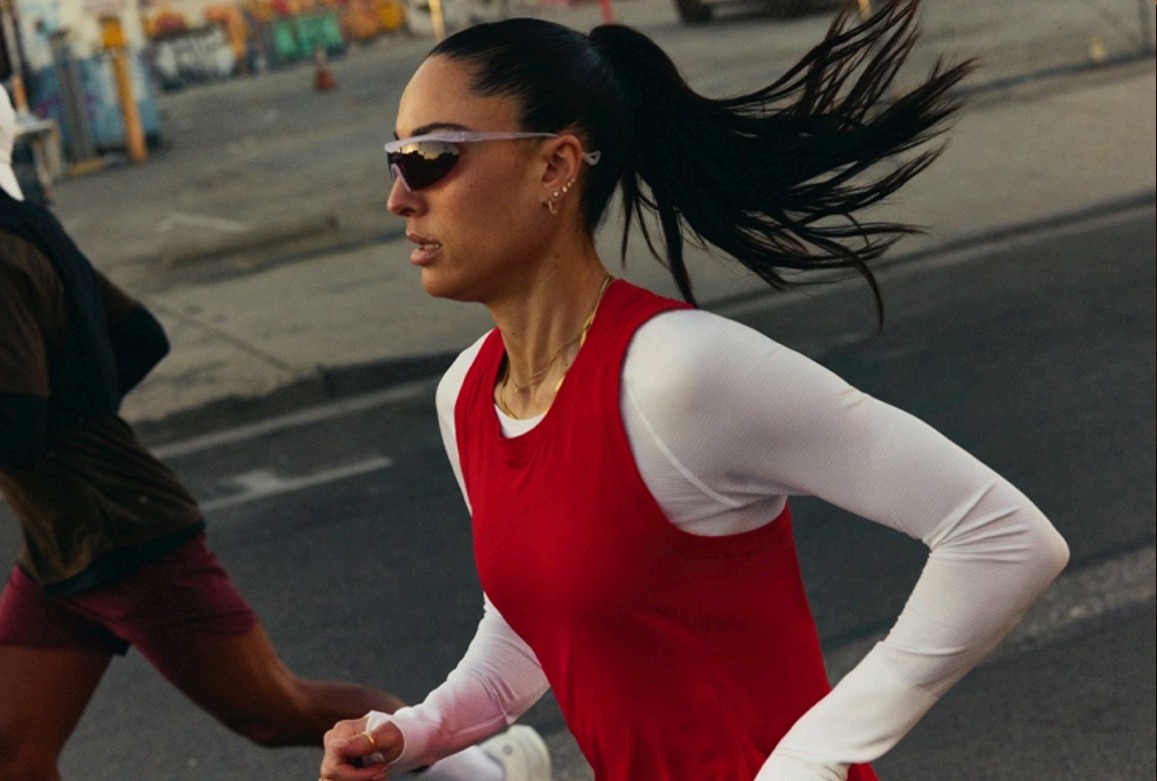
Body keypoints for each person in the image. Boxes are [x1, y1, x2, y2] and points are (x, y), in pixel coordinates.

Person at [319, 2, 1071, 780]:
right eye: (394, 159)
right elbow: (537, 622)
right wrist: (416, 731)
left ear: (555, 166)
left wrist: (810, 756)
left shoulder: (676, 373)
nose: (399, 197)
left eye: (431, 156)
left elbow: (1003, 538)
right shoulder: (466, 396)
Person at [0, 85, 550, 781]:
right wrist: (77, 413)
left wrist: (65, 424)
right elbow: (137, 338)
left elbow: (16, 430)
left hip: (123, 531)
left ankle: (480, 772)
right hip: (61, 542)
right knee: (12, 750)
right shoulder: (26, 224)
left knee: (276, 710)